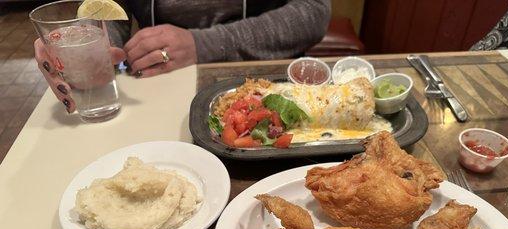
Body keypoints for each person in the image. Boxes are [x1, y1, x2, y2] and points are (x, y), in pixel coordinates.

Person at [34, 0, 331, 113]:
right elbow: (106, 11)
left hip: (274, 88)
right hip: (154, 88)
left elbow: (314, 12)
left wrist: (202, 44)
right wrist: (88, 45)